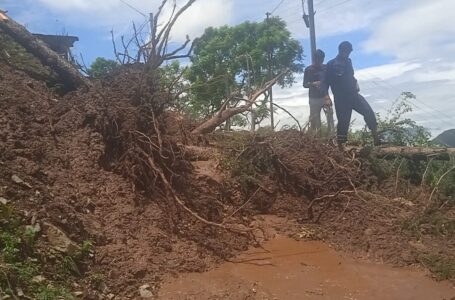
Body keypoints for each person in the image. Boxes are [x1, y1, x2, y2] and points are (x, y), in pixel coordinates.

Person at [322, 41, 380, 150]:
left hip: (353, 95)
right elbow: (325, 82)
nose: (348, 53)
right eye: (347, 51)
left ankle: (376, 138)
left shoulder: (349, 62)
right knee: (343, 121)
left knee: (368, 111)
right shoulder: (331, 64)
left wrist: (355, 82)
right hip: (341, 98)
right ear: (341, 50)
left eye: (349, 52)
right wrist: (326, 97)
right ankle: (341, 147)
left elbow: (351, 76)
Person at [303, 49, 334, 135]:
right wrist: (313, 84)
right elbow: (305, 84)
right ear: (314, 59)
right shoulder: (308, 69)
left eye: (321, 59)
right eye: (318, 59)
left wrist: (327, 96)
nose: (319, 61)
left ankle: (331, 137)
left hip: (324, 97)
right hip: (313, 98)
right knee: (315, 121)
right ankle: (317, 140)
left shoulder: (326, 68)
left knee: (330, 118)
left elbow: (329, 81)